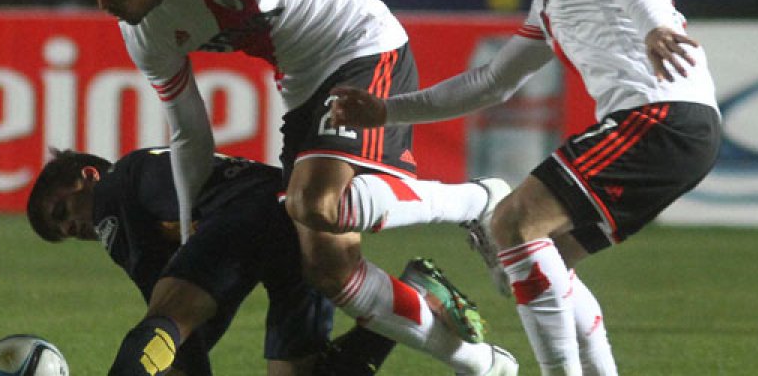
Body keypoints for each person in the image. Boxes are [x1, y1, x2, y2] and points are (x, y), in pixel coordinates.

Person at [68, 0, 522, 375]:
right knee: (329, 268)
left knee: (314, 202)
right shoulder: (143, 33)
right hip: (301, 88)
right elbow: (189, 134)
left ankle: (479, 202)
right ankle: (487, 365)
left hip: (360, 44)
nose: (104, 3)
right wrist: (188, 234)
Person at [329, 0, 722, 374]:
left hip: (659, 116)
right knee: (544, 263)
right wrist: (387, 111)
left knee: (511, 223)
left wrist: (653, 21)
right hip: (679, 127)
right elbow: (492, 81)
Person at [26, 146, 485, 375]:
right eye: (63, 233)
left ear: (86, 176)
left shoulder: (112, 190)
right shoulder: (151, 172)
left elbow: (165, 300)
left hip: (252, 215)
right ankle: (414, 292)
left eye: (62, 212)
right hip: (294, 211)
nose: (71, 228)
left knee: (167, 317)